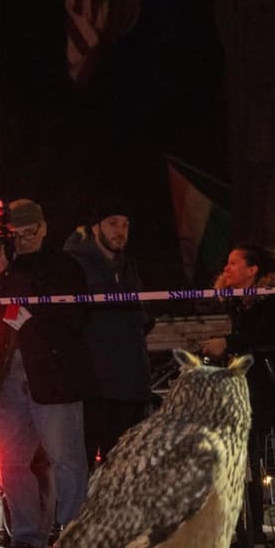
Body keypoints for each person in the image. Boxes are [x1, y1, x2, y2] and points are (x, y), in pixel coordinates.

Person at [0, 198, 95, 548]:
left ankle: (73, 535)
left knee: (67, 459)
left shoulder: (64, 265)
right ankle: (25, 537)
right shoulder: (4, 268)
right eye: (15, 233)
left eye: (29, 231)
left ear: (43, 227)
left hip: (54, 377)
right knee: (10, 461)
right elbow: (6, 313)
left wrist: (13, 295)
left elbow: (69, 318)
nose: (23, 239)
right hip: (9, 377)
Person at [201, 245, 275, 548]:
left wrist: (228, 342)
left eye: (234, 263)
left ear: (253, 270)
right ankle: (252, 532)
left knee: (274, 456)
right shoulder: (235, 302)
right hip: (249, 388)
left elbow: (269, 338)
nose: (227, 268)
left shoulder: (271, 299)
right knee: (247, 458)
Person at [64, 201, 155, 471]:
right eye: (113, 223)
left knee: (127, 469)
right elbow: (72, 321)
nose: (120, 231)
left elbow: (143, 316)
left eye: (125, 224)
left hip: (132, 387)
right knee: (87, 468)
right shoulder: (76, 265)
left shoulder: (129, 267)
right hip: (95, 389)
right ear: (96, 228)